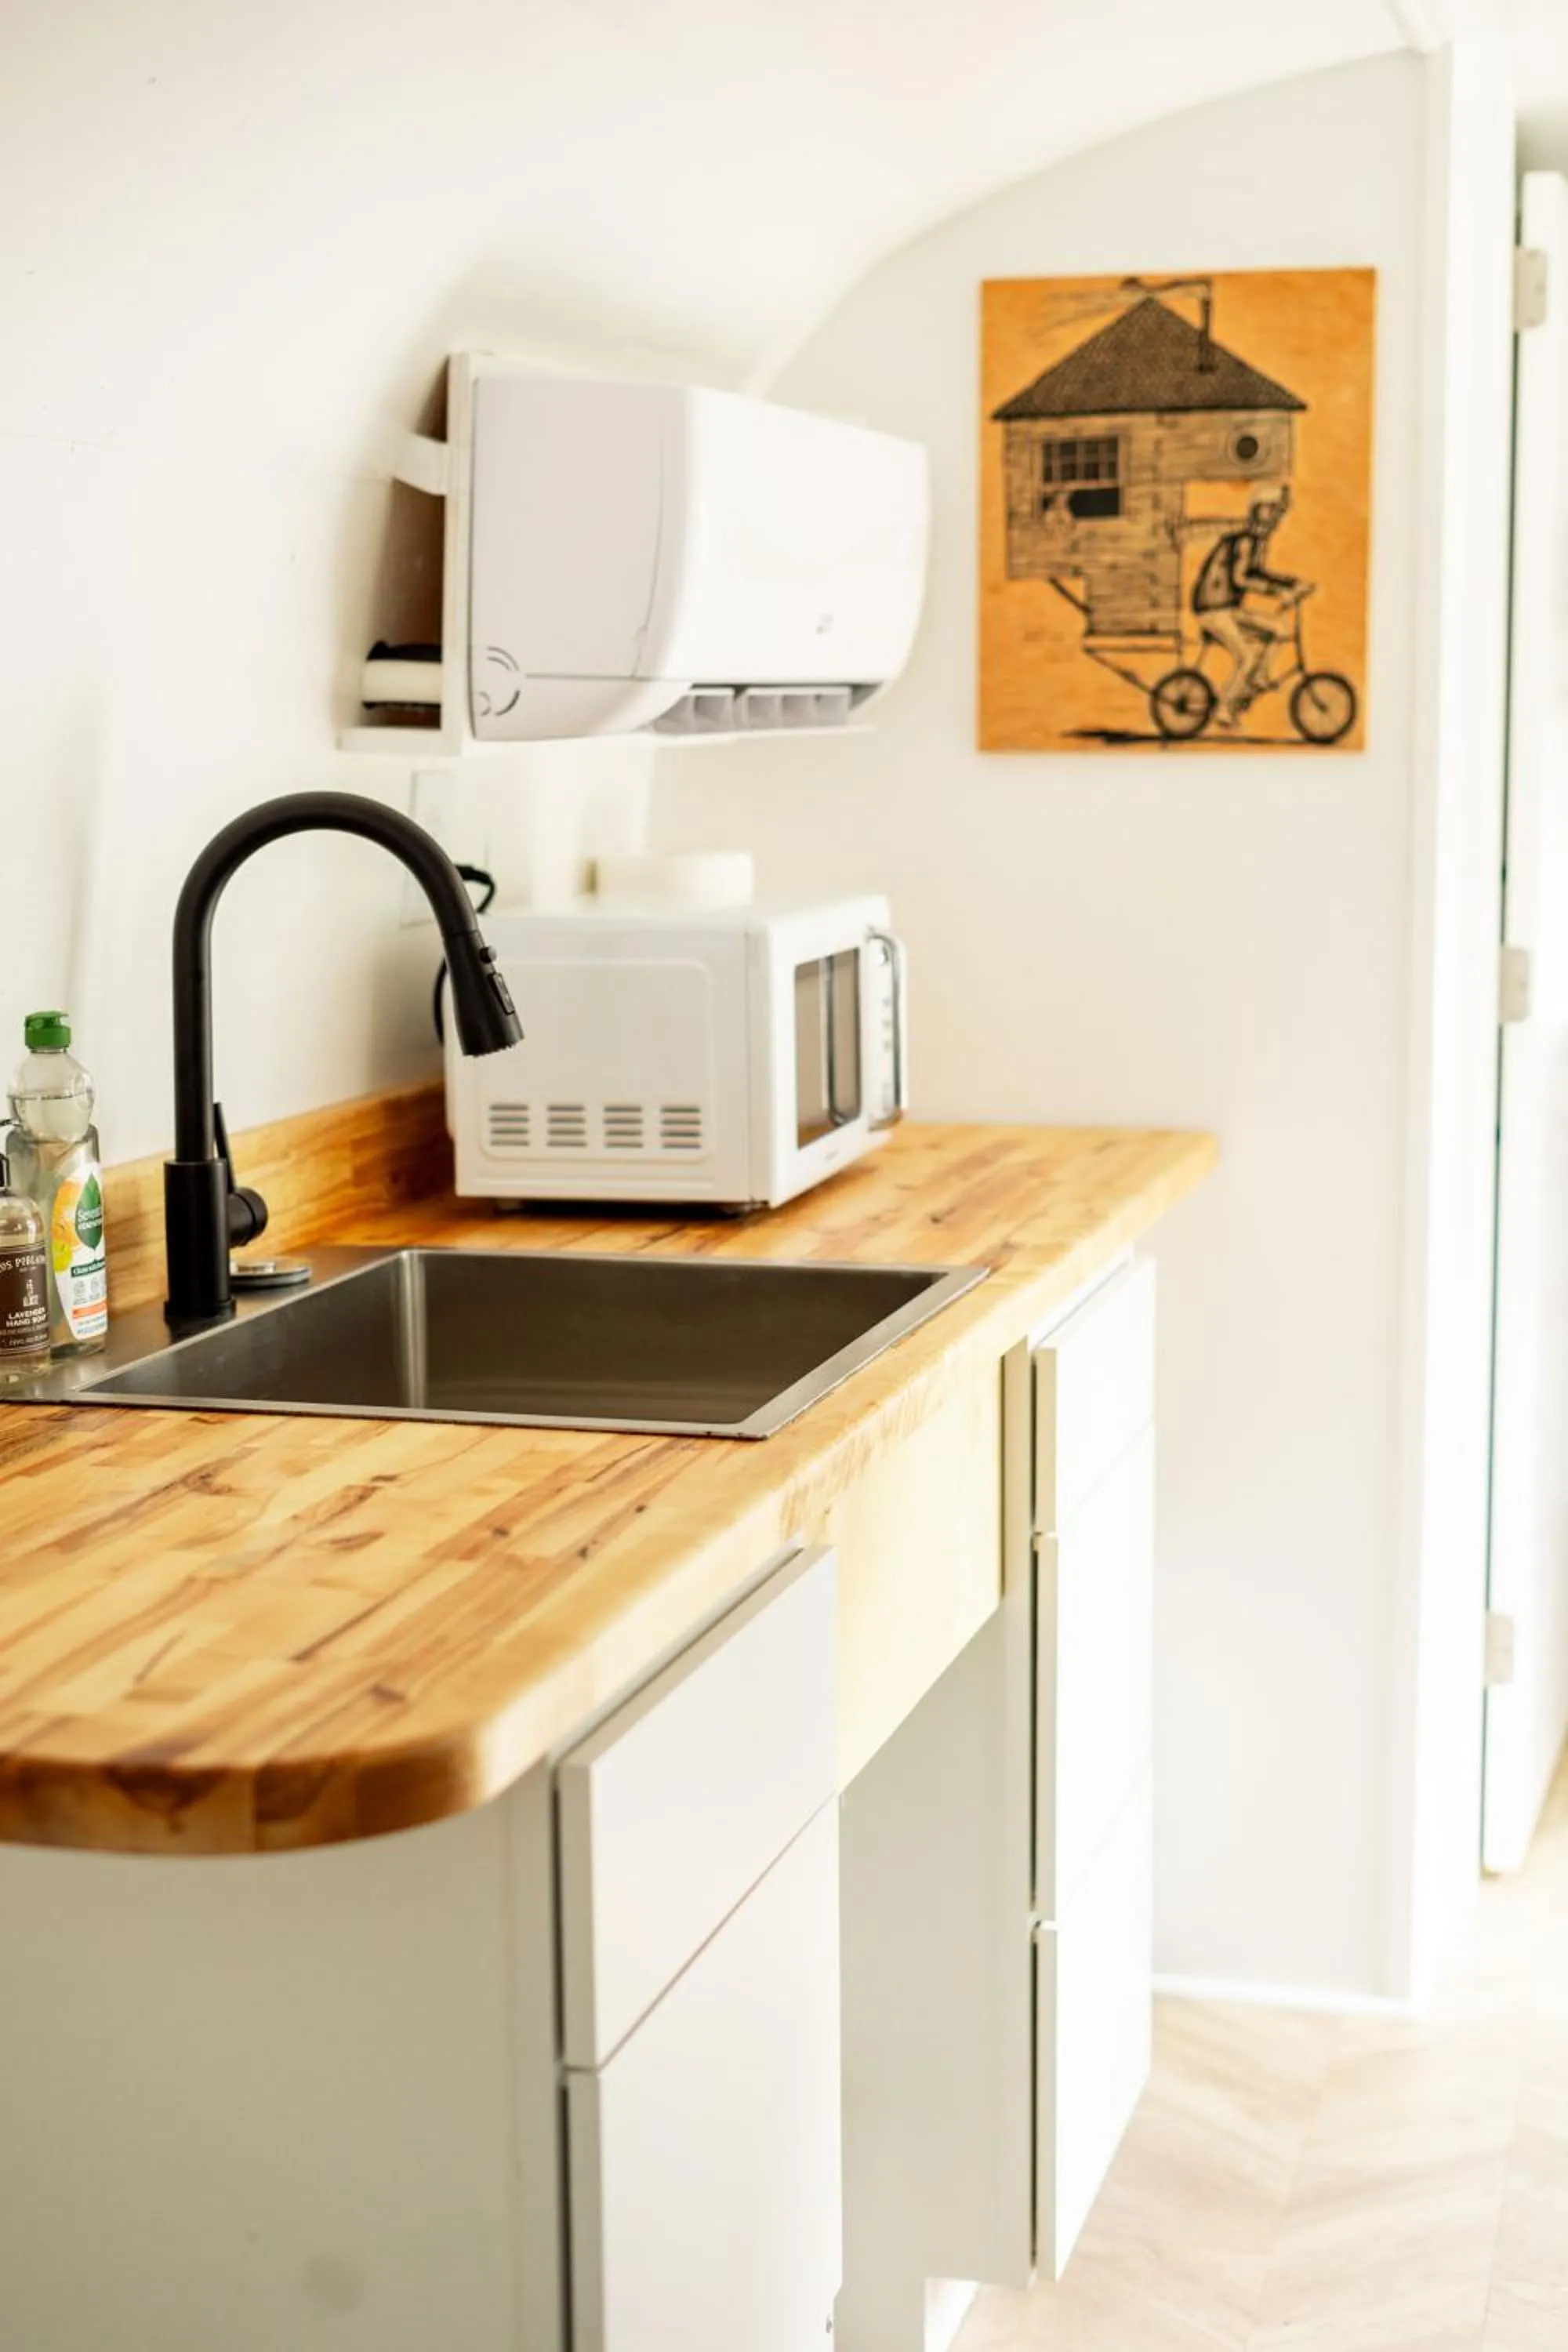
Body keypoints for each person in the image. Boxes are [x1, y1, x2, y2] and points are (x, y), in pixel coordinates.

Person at [1187, 488, 1307, 728]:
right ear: (1258, 512)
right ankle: (1223, 708)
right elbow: (1240, 579)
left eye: (1279, 513)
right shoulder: (1244, 541)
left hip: (1227, 608)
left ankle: (1259, 677)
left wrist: (1291, 582)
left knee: (1277, 629)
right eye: (1272, 511)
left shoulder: (1258, 542)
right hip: (1213, 609)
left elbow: (1259, 573)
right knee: (1247, 657)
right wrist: (1277, 592)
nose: (1276, 518)